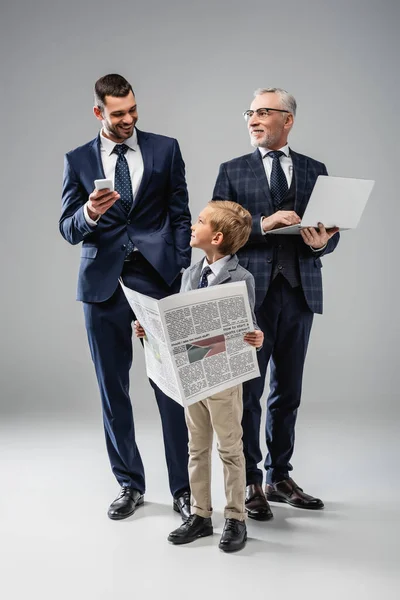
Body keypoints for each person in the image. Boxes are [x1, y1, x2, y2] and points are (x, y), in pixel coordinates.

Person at [59, 73, 192, 521]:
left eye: (134, 110)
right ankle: (129, 485)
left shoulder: (164, 149)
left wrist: (175, 264)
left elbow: (180, 210)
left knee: (171, 388)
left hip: (156, 280)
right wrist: (88, 214)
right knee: (112, 390)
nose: (129, 119)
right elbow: (66, 227)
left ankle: (184, 489)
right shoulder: (77, 159)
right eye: (119, 114)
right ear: (99, 112)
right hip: (102, 288)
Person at [212, 88, 340, 519]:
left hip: (300, 291)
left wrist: (323, 243)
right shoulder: (231, 171)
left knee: (289, 391)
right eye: (250, 110)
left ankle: (279, 476)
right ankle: (250, 480)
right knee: (248, 392)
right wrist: (263, 224)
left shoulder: (314, 170)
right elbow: (218, 233)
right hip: (248, 296)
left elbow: (330, 231)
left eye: (264, 111)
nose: (253, 117)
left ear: (288, 120)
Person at [136, 201, 264, 552]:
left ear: (217, 236)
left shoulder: (242, 277)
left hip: (223, 379)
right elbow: (178, 322)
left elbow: (247, 322)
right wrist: (149, 327)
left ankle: (236, 517)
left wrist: (256, 336)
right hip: (192, 377)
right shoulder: (190, 274)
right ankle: (200, 514)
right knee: (196, 447)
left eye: (201, 221)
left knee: (229, 448)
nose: (194, 225)